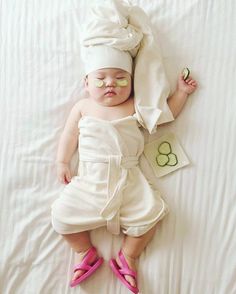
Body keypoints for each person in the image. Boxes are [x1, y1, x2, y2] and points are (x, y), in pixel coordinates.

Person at [51, 1, 197, 293]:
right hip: (90, 179)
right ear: (86, 82)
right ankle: (84, 252)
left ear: (132, 82)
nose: (110, 85)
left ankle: (128, 256)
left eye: (120, 78)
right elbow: (69, 136)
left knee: (152, 215)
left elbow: (165, 114)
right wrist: (63, 162)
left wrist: (180, 93)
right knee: (62, 217)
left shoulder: (135, 106)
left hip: (128, 179)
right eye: (101, 78)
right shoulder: (82, 107)